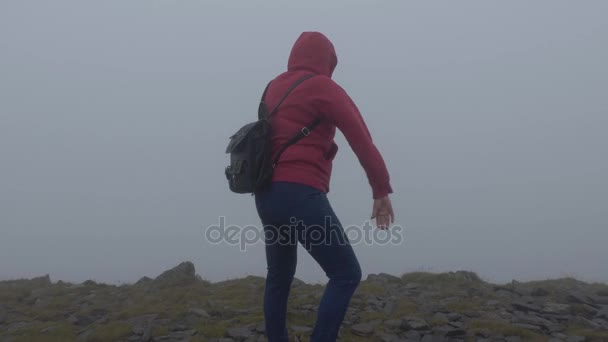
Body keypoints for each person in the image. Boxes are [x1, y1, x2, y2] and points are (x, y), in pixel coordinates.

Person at [254, 31, 395, 342]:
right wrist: (380, 189)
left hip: (265, 194)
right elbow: (360, 138)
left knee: (278, 277)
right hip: (299, 192)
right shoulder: (322, 87)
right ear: (327, 61)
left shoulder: (273, 86)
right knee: (345, 274)